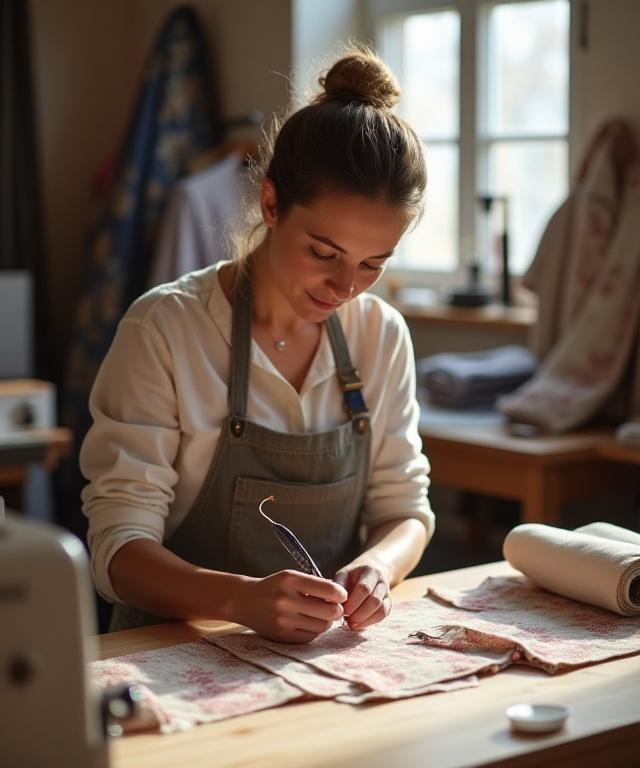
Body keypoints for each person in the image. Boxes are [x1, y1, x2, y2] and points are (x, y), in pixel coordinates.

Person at [81, 46, 435, 642]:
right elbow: (117, 548)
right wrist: (239, 599)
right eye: (323, 252)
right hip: (170, 651)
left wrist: (378, 567)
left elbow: (405, 510)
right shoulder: (165, 329)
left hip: (315, 658)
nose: (345, 287)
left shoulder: (380, 335)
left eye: (373, 263)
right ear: (271, 204)